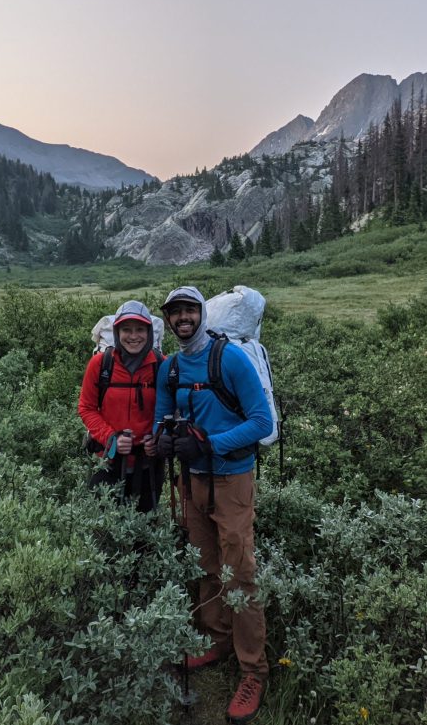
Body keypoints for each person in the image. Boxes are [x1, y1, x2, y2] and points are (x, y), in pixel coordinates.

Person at [149, 286, 273, 724]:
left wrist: (208, 442)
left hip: (232, 478)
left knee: (239, 572)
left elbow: (263, 422)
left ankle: (253, 670)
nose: (182, 318)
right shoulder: (170, 368)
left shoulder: (230, 358)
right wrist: (162, 439)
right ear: (167, 319)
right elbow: (163, 416)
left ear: (201, 314)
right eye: (174, 312)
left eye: (189, 311)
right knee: (205, 563)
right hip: (192, 481)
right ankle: (216, 640)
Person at [78, 300, 164, 512]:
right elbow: (86, 407)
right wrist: (111, 438)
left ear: (149, 332)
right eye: (126, 329)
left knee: (145, 529)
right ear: (117, 332)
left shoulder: (161, 365)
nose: (133, 336)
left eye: (140, 329)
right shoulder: (100, 364)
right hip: (107, 460)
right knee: (105, 526)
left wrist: (157, 437)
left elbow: (169, 411)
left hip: (148, 464)